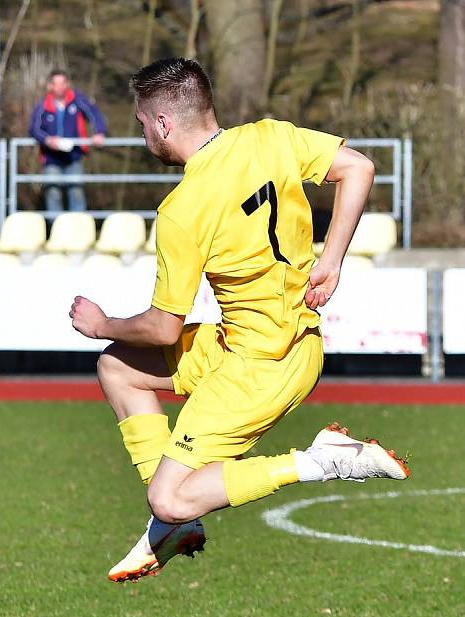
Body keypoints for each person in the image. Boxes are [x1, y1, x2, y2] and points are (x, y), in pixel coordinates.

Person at [69, 58, 410, 583]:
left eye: (141, 122)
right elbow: (358, 167)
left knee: (170, 495)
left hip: (260, 367)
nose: (140, 133)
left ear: (163, 124)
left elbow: (163, 327)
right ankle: (170, 524)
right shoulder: (268, 137)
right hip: (262, 342)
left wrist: (102, 322)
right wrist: (332, 257)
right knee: (118, 369)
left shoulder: (183, 209)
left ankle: (318, 462)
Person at [29, 69, 107, 215]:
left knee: (76, 191)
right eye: (56, 83)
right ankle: (56, 228)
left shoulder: (78, 101)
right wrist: (47, 139)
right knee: (53, 193)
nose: (60, 87)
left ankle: (78, 228)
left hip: (74, 156)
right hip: (51, 158)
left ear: (68, 84)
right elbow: (34, 129)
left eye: (63, 83)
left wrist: (99, 133)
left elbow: (95, 115)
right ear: (49, 86)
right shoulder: (42, 106)